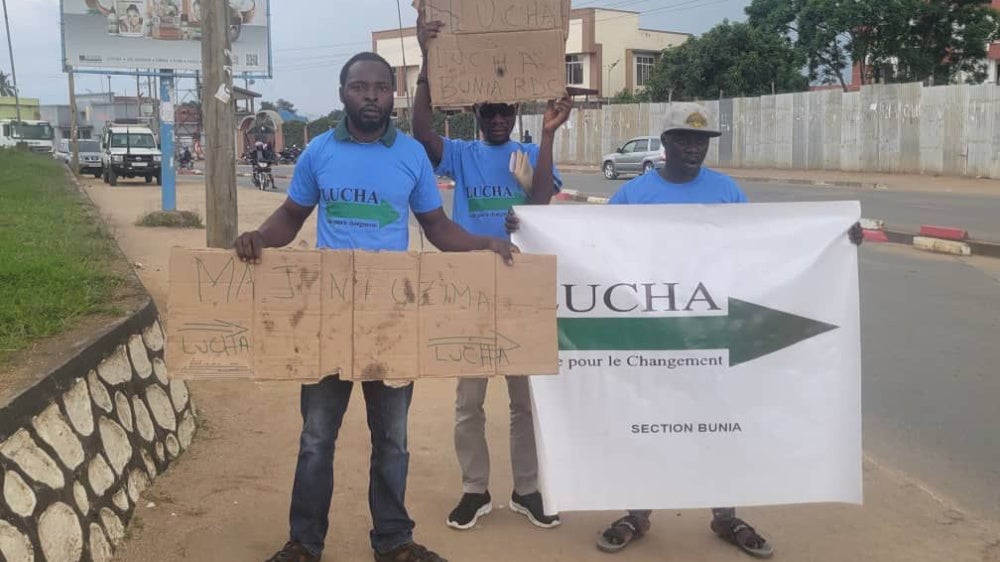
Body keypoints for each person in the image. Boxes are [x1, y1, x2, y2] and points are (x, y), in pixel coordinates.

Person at [506, 102, 863, 559]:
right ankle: (636, 514)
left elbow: (763, 251)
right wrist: (533, 227)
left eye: (701, 141)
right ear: (668, 143)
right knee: (649, 422)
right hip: (652, 332)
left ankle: (725, 516)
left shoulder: (726, 192)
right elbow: (591, 242)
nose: (694, 148)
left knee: (718, 423)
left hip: (711, 332)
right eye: (685, 139)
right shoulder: (635, 196)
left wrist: (836, 239)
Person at [235, 52, 517, 562]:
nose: (371, 95)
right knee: (317, 437)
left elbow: (436, 228)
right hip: (326, 317)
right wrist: (259, 238)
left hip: (392, 318)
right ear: (343, 92)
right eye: (360, 86)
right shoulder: (318, 152)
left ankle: (393, 542)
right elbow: (291, 216)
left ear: (393, 94)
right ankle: (304, 543)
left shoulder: (410, 155)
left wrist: (483, 244)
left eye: (381, 87)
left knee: (393, 440)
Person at [412, 14, 574, 532]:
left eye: (506, 109)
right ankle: (474, 489)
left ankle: (527, 489)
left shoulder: (528, 153)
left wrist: (547, 137)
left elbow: (543, 199)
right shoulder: (460, 155)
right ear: (478, 113)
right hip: (472, 288)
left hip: (520, 288)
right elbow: (419, 133)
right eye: (490, 110)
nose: (498, 118)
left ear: (516, 110)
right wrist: (424, 64)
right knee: (469, 400)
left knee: (525, 400)